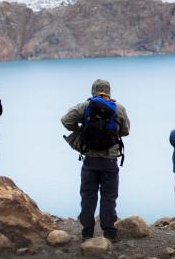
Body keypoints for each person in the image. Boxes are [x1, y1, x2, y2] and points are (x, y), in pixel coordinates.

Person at [61, 79, 130, 242]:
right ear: (109, 91)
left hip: (90, 159)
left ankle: (87, 231)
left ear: (93, 91)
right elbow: (126, 131)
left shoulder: (85, 106)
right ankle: (109, 232)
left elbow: (65, 121)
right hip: (110, 160)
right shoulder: (118, 108)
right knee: (109, 196)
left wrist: (82, 130)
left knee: (88, 195)